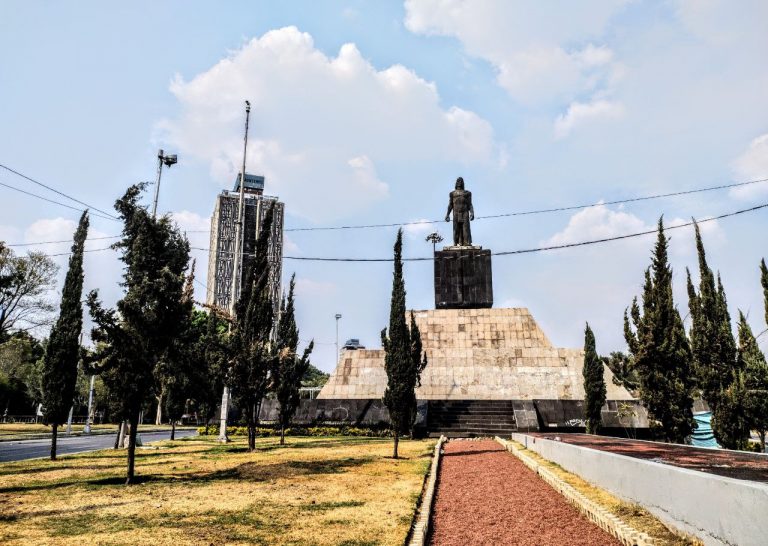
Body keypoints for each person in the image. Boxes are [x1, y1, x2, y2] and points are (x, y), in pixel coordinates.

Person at [445, 177, 474, 246]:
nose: (459, 182)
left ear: (463, 183)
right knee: (456, 229)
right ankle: (455, 243)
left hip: (465, 213)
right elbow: (450, 205)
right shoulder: (452, 194)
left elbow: (470, 204)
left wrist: (472, 213)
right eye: (458, 181)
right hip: (456, 213)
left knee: (465, 229)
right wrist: (447, 214)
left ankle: (466, 243)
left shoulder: (467, 193)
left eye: (461, 181)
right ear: (456, 183)